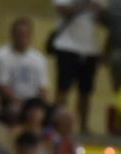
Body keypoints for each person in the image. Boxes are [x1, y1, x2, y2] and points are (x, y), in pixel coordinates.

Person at [50, 0, 105, 132]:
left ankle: (83, 125)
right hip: (67, 46)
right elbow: (63, 10)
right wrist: (86, 5)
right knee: (63, 88)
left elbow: (102, 18)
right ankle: (57, 123)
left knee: (86, 91)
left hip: (89, 48)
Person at [0, 16, 51, 105]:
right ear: (13, 35)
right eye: (20, 34)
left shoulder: (39, 58)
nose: (23, 38)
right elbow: (1, 86)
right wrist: (20, 102)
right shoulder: (2, 56)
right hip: (10, 101)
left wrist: (42, 105)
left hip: (33, 103)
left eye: (26, 34)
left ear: (31, 35)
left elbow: (42, 88)